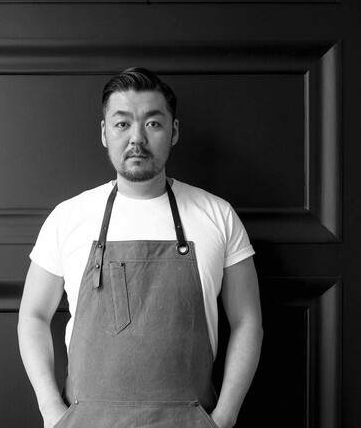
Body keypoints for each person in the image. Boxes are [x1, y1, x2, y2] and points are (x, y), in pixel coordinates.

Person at [18, 67, 263, 428]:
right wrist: (51, 410)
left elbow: (247, 321)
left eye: (152, 123)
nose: (137, 138)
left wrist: (224, 417)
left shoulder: (217, 214)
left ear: (173, 131)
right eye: (122, 124)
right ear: (105, 133)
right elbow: (33, 315)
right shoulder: (68, 217)